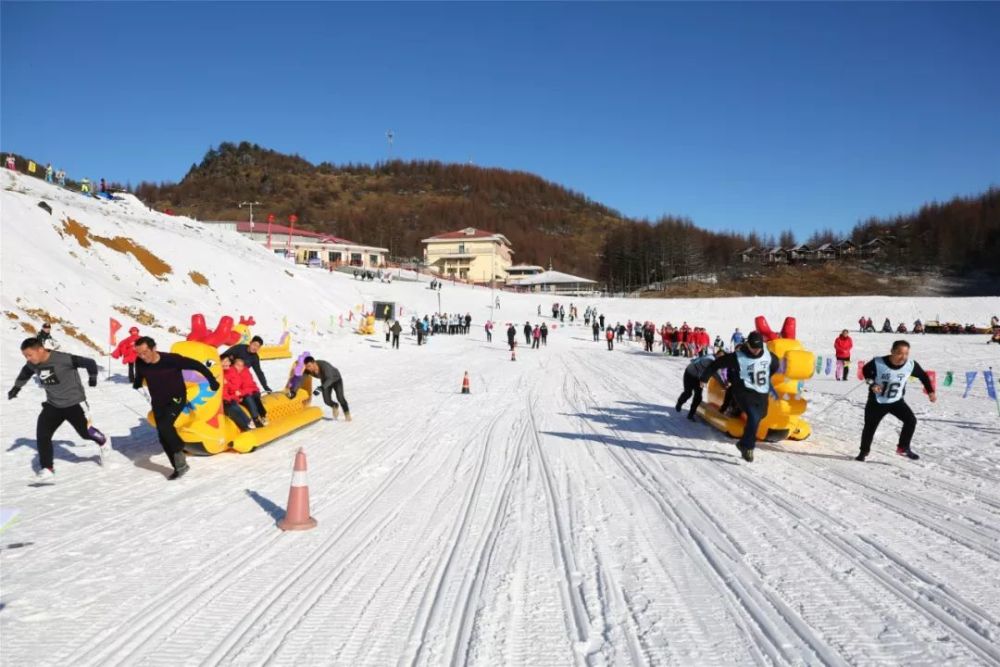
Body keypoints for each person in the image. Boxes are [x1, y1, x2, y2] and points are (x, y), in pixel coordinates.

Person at [8, 338, 109, 480]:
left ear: (40, 350)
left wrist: (92, 377)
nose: (28, 359)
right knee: (43, 435)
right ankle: (47, 469)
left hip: (74, 403)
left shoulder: (63, 359)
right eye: (25, 356)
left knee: (85, 433)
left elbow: (89, 363)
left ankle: (102, 440)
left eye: (30, 355)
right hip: (53, 405)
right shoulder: (33, 364)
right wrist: (16, 387)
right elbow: (25, 372)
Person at [133, 336, 218, 479]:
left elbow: (197, 365)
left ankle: (179, 446)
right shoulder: (140, 362)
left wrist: (212, 380)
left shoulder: (172, 360)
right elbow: (140, 373)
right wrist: (136, 382)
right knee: (162, 435)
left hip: (176, 398)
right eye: (139, 354)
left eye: (145, 352)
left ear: (154, 348)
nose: (142, 356)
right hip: (158, 401)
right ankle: (180, 466)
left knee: (166, 427)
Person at [701, 331, 780, 463]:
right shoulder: (738, 357)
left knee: (761, 414)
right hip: (743, 390)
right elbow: (716, 364)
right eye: (753, 348)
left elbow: (775, 365)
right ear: (748, 345)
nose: (756, 351)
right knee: (754, 415)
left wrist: (766, 377)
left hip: (761, 391)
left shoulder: (767, 355)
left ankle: (743, 443)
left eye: (758, 348)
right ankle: (747, 446)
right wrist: (704, 378)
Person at [856, 340, 935, 461]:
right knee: (870, 427)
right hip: (877, 402)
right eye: (899, 353)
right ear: (892, 351)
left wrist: (930, 391)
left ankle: (903, 447)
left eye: (906, 353)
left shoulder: (911, 365)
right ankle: (863, 452)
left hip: (896, 401)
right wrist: (872, 383)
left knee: (911, 421)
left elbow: (923, 376)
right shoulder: (878, 362)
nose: (903, 357)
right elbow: (866, 370)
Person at [677, 349, 726, 421]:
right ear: (717, 354)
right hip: (689, 374)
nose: (720, 358)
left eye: (722, 357)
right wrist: (723, 385)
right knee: (688, 393)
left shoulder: (714, 360)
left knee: (698, 396)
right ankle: (680, 403)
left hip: (699, 379)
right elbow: (716, 374)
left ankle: (691, 414)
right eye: (720, 356)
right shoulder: (710, 360)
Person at [301, 357, 351, 421]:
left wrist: (320, 388)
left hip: (336, 379)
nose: (308, 368)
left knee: (340, 398)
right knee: (327, 400)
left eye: (309, 366)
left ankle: (347, 414)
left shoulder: (324, 365)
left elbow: (330, 379)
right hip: (325, 381)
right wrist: (293, 390)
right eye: (306, 367)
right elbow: (301, 380)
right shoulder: (308, 370)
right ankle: (334, 405)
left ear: (314, 363)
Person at [220, 356, 253, 432]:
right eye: (224, 361)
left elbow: (232, 388)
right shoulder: (217, 375)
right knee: (232, 408)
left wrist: (236, 395)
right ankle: (246, 427)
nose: (227, 363)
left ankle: (249, 425)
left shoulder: (226, 374)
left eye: (228, 361)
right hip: (220, 401)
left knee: (235, 406)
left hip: (227, 399)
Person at [231, 357, 267, 426]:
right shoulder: (231, 372)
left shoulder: (245, 372)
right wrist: (239, 395)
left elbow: (250, 386)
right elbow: (233, 387)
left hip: (250, 391)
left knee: (254, 396)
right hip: (241, 395)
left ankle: (262, 415)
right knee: (248, 398)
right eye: (237, 365)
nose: (240, 367)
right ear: (233, 365)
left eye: (241, 365)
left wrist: (242, 392)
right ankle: (256, 418)